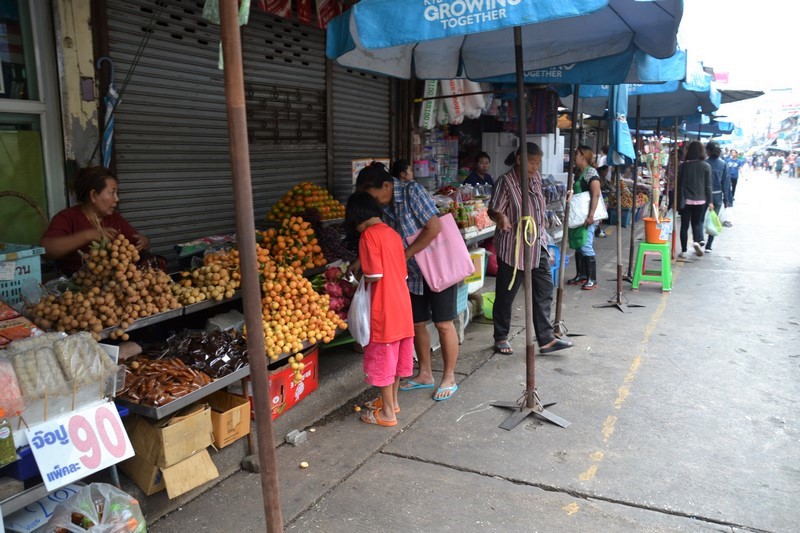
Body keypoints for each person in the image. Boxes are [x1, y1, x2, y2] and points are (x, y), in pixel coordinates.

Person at [355, 163, 460, 401]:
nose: (372, 201)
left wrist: (406, 254)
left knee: (443, 323)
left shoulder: (412, 191)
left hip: (437, 266)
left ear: (386, 185)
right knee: (417, 324)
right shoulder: (383, 208)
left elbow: (434, 227)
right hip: (410, 274)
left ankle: (449, 377)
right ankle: (425, 374)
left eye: (372, 195)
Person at [488, 142, 573, 356]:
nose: (535, 166)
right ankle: (501, 336)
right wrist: (501, 217)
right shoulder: (505, 182)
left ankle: (546, 339)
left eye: (538, 163)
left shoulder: (535, 179)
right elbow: (493, 210)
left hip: (537, 243)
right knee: (506, 295)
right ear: (519, 160)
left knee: (544, 290)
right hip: (513, 246)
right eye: (532, 162)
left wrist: (566, 196)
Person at [344, 191, 415, 427]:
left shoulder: (368, 235)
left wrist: (359, 279)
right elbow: (401, 271)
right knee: (395, 357)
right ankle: (392, 402)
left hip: (383, 306)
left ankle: (387, 414)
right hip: (402, 304)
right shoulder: (392, 233)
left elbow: (374, 275)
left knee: (384, 358)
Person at [41, 167, 150, 276]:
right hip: (77, 282)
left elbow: (136, 240)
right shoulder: (67, 218)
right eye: (112, 193)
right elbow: (46, 250)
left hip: (112, 281)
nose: (117, 199)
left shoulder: (115, 218)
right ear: (93, 195)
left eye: (117, 193)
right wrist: (88, 235)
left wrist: (144, 241)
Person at [565, 145, 602, 289]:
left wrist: (591, 216)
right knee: (579, 245)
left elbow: (596, 194)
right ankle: (581, 275)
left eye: (576, 154)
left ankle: (592, 279)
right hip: (580, 216)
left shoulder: (591, 172)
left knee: (586, 245)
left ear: (583, 156)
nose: (574, 157)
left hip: (588, 216)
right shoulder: (578, 172)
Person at [677, 141, 712, 259]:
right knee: (696, 222)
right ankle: (696, 241)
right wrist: (710, 201)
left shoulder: (683, 166)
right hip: (701, 200)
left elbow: (679, 185)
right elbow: (708, 186)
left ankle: (684, 251)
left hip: (685, 200)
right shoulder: (706, 166)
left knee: (684, 225)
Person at [704, 141, 731, 253]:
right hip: (717, 195)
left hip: (703, 195)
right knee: (713, 219)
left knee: (700, 218)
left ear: (708, 151)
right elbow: (726, 183)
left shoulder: (704, 163)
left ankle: (699, 239)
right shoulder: (723, 164)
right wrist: (727, 199)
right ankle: (708, 245)